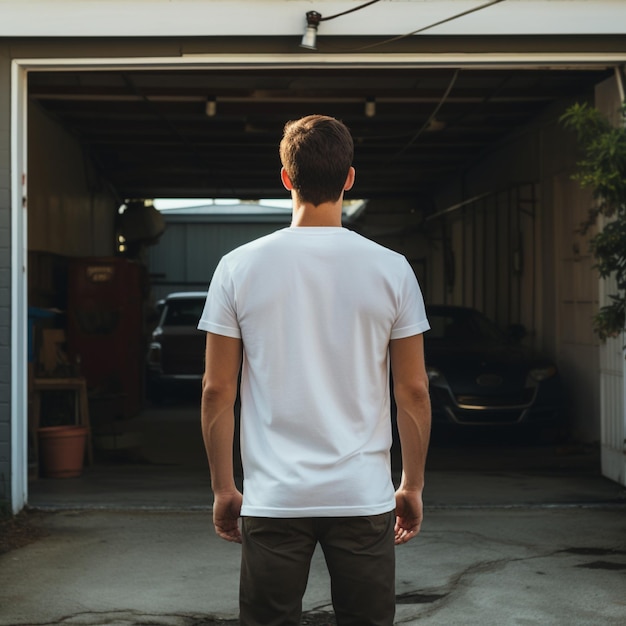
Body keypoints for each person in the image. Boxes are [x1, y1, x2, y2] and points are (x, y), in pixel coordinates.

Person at [198, 114, 431, 626]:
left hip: (274, 497)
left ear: (285, 178)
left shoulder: (237, 267)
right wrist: (410, 485)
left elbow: (218, 392)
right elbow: (412, 391)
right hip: (362, 496)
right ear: (349, 178)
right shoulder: (392, 269)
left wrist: (223, 489)